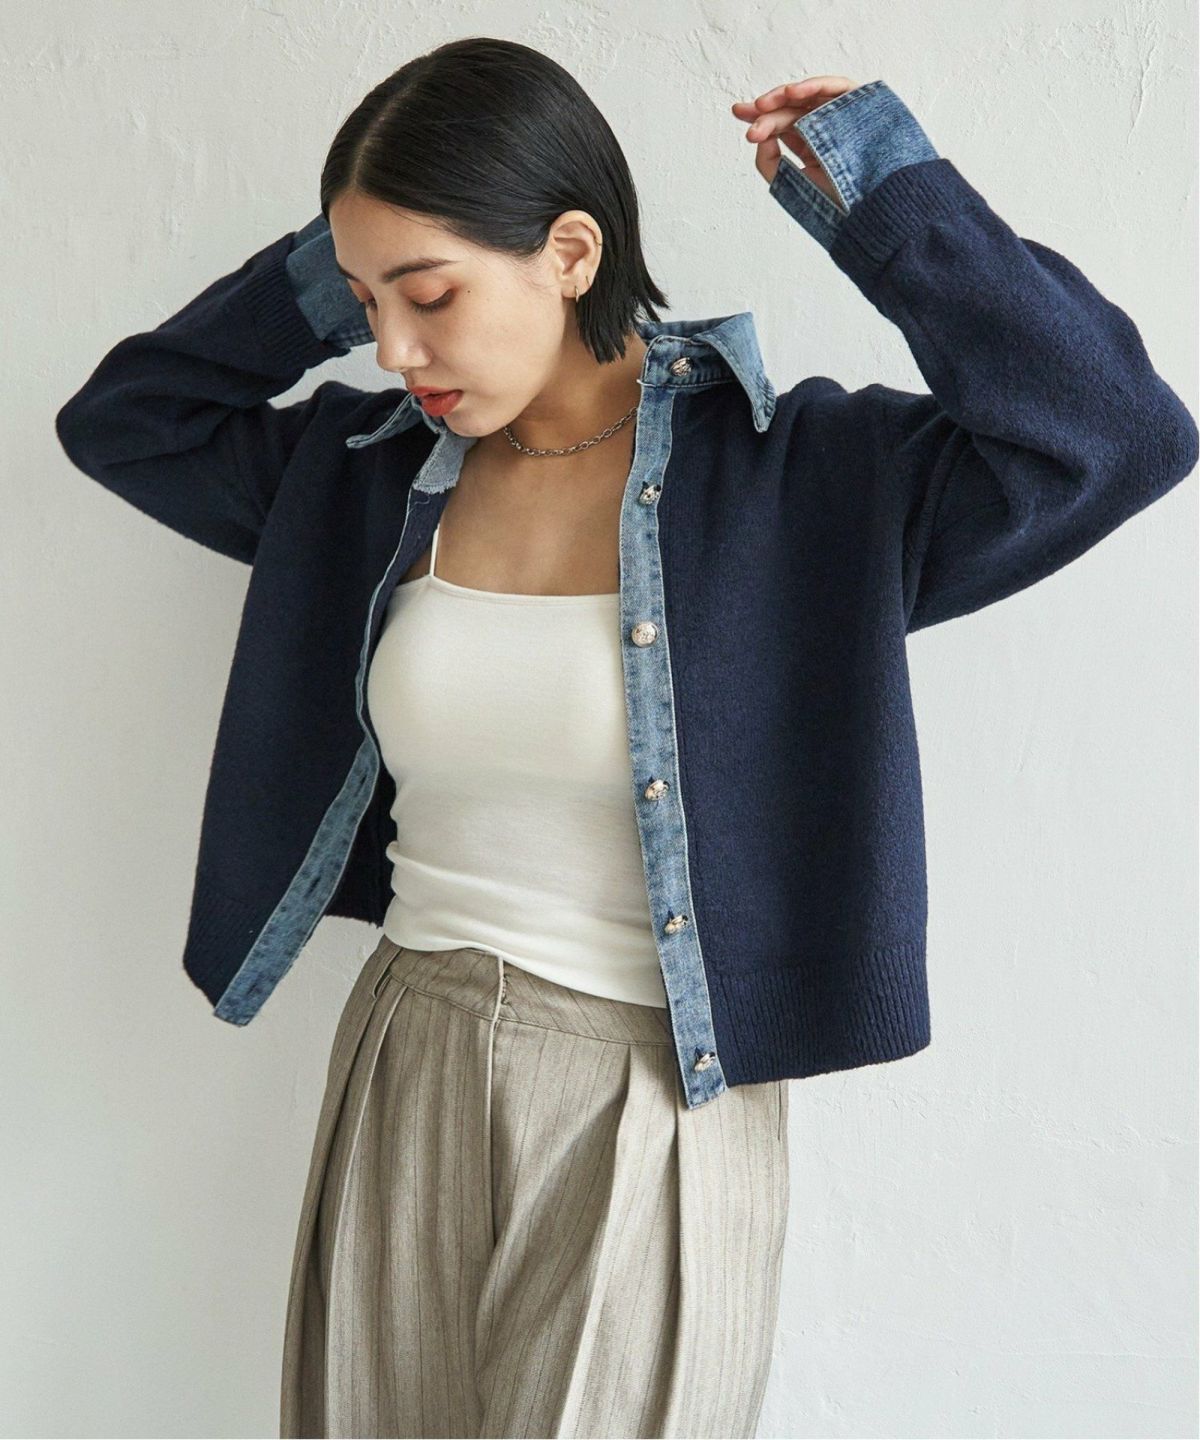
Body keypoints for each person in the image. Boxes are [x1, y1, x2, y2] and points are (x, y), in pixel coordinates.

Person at [54, 36, 1197, 1440]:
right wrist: (338, 261)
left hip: (654, 1090)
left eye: (430, 293)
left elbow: (1113, 434)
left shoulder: (808, 485)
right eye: (365, 304)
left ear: (571, 251)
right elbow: (127, 421)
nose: (395, 349)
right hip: (404, 1057)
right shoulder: (356, 478)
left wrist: (886, 193)